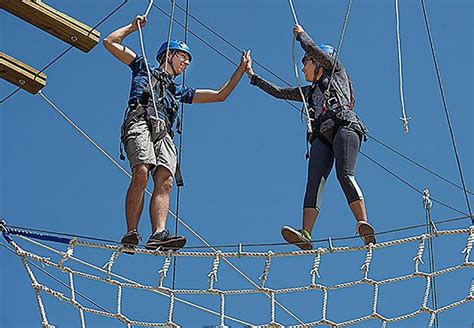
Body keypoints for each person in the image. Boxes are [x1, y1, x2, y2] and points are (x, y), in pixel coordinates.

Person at [103, 15, 248, 251]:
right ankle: (131, 232)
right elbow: (109, 42)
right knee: (141, 171)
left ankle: (158, 234)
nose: (187, 63)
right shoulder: (143, 67)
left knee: (165, 180)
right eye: (184, 56)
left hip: (164, 133)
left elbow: (220, 95)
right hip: (140, 122)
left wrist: (241, 70)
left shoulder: (178, 91)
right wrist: (132, 27)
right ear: (169, 55)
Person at [244, 24, 375, 250]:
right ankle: (306, 233)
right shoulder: (309, 92)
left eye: (306, 63)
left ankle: (362, 223)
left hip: (345, 126)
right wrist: (253, 77)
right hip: (322, 136)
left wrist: (300, 35)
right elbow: (279, 92)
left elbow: (312, 48)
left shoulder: (336, 71)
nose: (303, 68)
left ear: (319, 63)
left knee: (344, 174)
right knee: (313, 183)